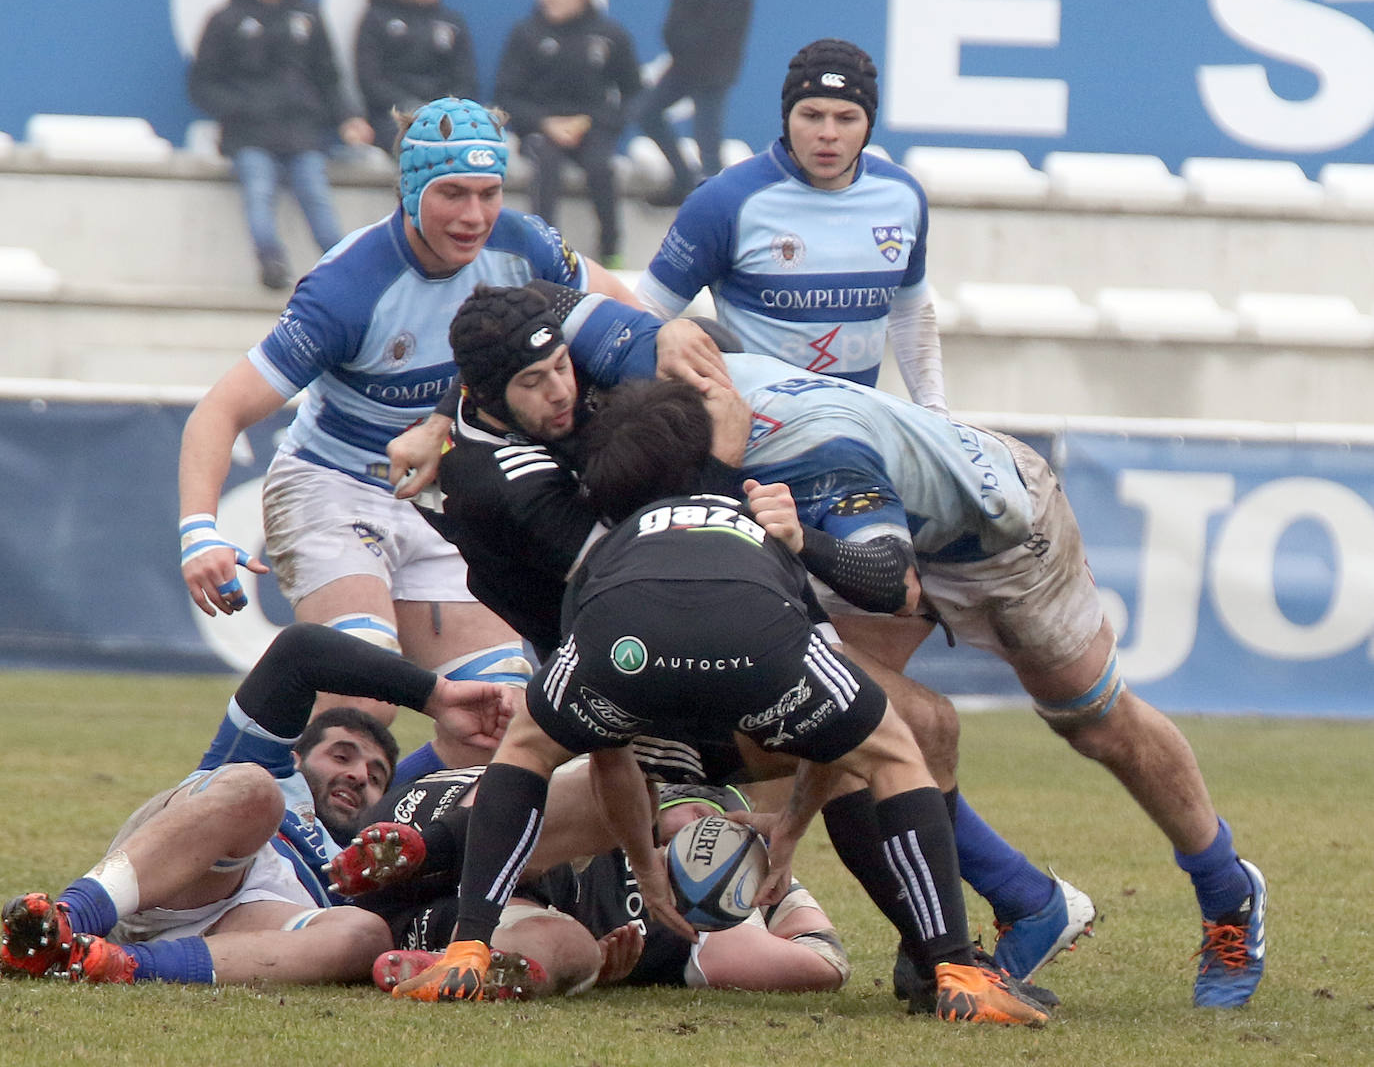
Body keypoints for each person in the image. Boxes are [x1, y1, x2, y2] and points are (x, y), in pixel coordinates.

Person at [387, 282, 1093, 1001]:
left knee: (539, 751)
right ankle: (949, 958)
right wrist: (738, 478)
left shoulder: (522, 400)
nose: (562, 390)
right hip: (641, 643)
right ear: (488, 391)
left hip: (610, 646)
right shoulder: (499, 478)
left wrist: (654, 335)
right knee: (896, 738)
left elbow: (541, 305)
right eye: (533, 383)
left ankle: (446, 909)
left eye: (563, 365)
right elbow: (657, 556)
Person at [559, 302, 1270, 1010]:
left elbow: (892, 585)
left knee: (1096, 724)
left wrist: (804, 543)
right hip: (865, 530)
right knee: (851, 717)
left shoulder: (811, 456)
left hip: (1000, 534)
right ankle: (1014, 908)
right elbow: (549, 291)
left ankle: (1227, 890)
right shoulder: (666, 381)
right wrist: (662, 320)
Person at [177, 96, 700, 726]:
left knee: (498, 716)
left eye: (489, 192)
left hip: (440, 499)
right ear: (409, 187)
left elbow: (625, 317)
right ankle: (265, 801)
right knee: (362, 701)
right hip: (332, 488)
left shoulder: (523, 244)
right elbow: (221, 409)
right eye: (453, 193)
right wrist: (199, 532)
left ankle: (405, 826)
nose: (474, 215)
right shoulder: (348, 288)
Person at [0, 623, 509, 986]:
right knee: (254, 790)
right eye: (341, 754)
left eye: (376, 776)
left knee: (364, 933)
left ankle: (109, 962)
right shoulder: (266, 764)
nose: (358, 773)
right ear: (296, 752)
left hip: (243, 932)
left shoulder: (368, 849)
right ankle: (68, 918)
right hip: (174, 873)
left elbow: (467, 770)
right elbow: (300, 650)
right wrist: (437, 696)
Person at [635, 37, 946, 412]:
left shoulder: (902, 197)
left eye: (846, 118)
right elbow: (645, 313)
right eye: (812, 115)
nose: (828, 133)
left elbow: (912, 313)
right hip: (756, 441)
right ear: (787, 117)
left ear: (869, 125)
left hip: (859, 433)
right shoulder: (723, 201)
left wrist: (936, 415)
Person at [354, 780, 849, 995]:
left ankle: (465, 970)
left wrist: (773, 887)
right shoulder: (620, 798)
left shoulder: (714, 920)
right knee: (591, 802)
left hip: (457, 915)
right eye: (706, 811)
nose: (702, 823)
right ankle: (435, 849)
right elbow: (823, 958)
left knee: (574, 950)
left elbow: (825, 966)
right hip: (456, 824)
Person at [188, 0, 374, 290]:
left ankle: (340, 267)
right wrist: (240, 108)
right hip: (250, 135)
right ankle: (271, 261)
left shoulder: (308, 16)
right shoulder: (226, 19)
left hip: (302, 135)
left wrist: (349, 118)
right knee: (258, 190)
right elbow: (202, 83)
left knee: (316, 195)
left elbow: (329, 77)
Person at [494, 0, 641, 267]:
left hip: (590, 129)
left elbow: (633, 93)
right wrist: (546, 123)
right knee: (545, 164)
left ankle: (611, 251)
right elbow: (506, 96)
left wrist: (593, 122)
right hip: (540, 130)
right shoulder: (526, 35)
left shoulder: (609, 36)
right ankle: (542, 251)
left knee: (602, 167)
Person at [639, 0, 764, 206]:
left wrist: (696, 43)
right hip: (689, 56)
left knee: (707, 138)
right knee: (646, 112)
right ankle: (684, 180)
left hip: (712, 58)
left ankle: (712, 206)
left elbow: (726, 7)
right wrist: (678, 37)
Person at [355, 0, 478, 153]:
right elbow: (370, 80)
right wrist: (412, 108)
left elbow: (466, 82)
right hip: (395, 119)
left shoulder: (452, 23)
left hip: (447, 120)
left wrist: (443, 111)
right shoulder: (376, 20)